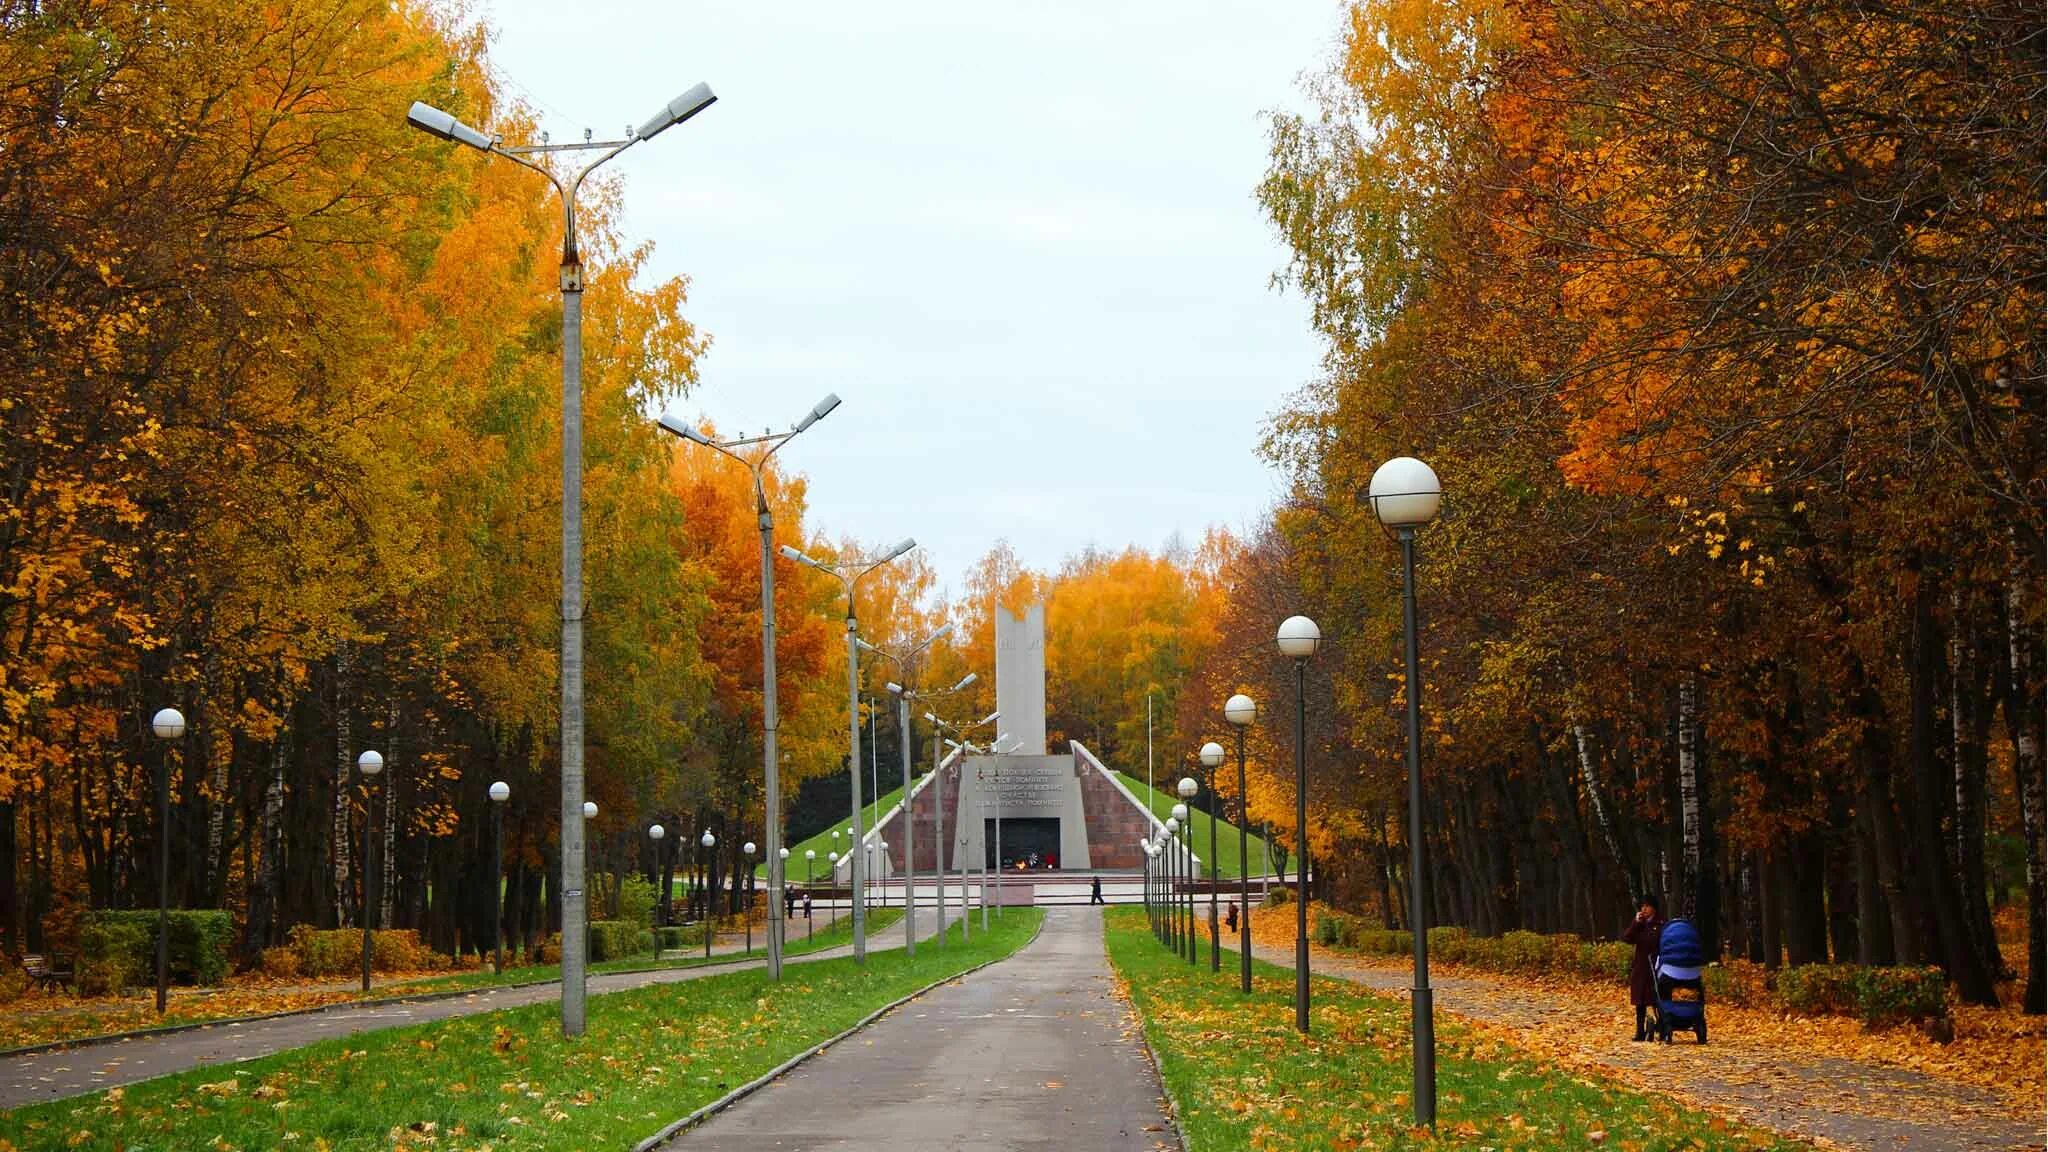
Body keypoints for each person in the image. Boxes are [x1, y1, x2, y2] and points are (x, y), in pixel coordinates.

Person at [1621, 894, 1665, 1041]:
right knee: (1640, 1001)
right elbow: (1627, 938)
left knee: (1657, 997)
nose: (1644, 909)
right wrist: (1636, 923)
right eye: (1642, 906)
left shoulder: (1661, 923)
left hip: (1656, 965)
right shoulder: (1640, 924)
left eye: (1647, 906)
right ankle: (1639, 1030)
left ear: (1653, 908)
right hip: (1641, 966)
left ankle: (1662, 1026)